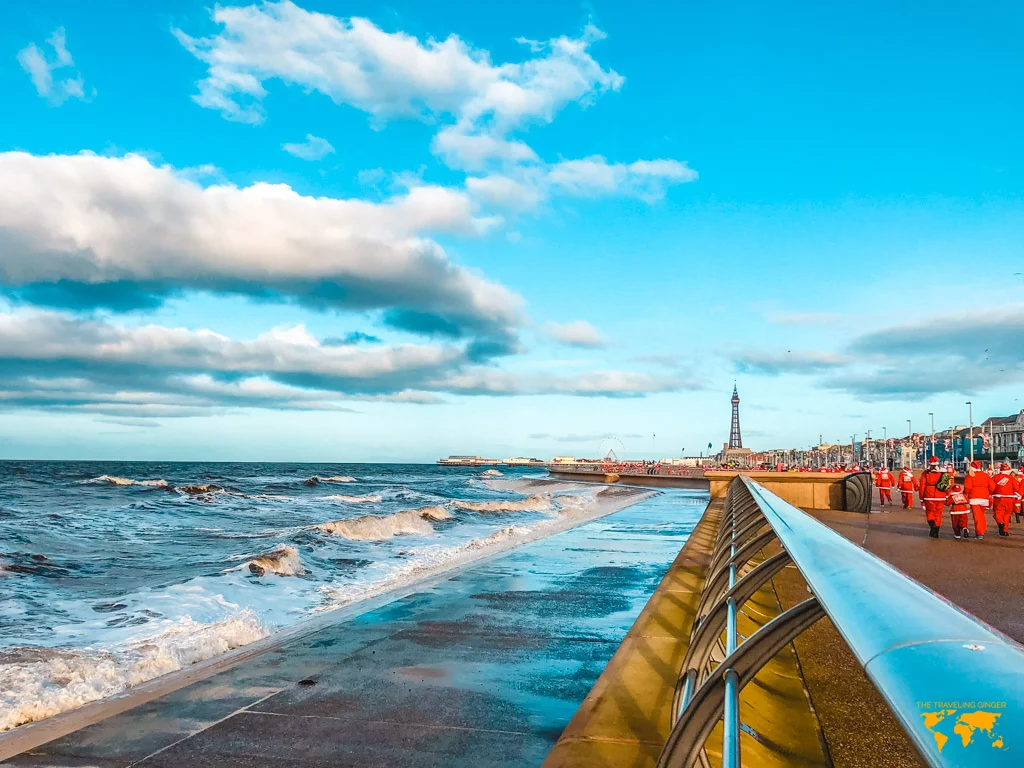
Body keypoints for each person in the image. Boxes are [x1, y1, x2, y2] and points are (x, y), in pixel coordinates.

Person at [917, 456, 947, 538]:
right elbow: (948, 484)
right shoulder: (943, 473)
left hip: (929, 496)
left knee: (930, 513)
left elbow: (922, 486)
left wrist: (921, 498)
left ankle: (932, 526)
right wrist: (947, 495)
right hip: (941, 496)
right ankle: (936, 531)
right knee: (938, 514)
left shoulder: (925, 473)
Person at [964, 460, 992, 539]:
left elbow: (968, 488)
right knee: (982, 515)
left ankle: (979, 533)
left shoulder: (970, 476)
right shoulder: (985, 475)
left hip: (974, 498)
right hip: (984, 498)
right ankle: (982, 530)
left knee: (977, 516)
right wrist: (988, 493)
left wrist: (965, 493)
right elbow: (992, 486)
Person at [991, 462, 1016, 537]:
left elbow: (991, 487)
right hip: (1010, 499)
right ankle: (1005, 531)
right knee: (1007, 515)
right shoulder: (1012, 478)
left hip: (999, 498)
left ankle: (1000, 523)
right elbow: (1016, 488)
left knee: (998, 513)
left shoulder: (995, 477)